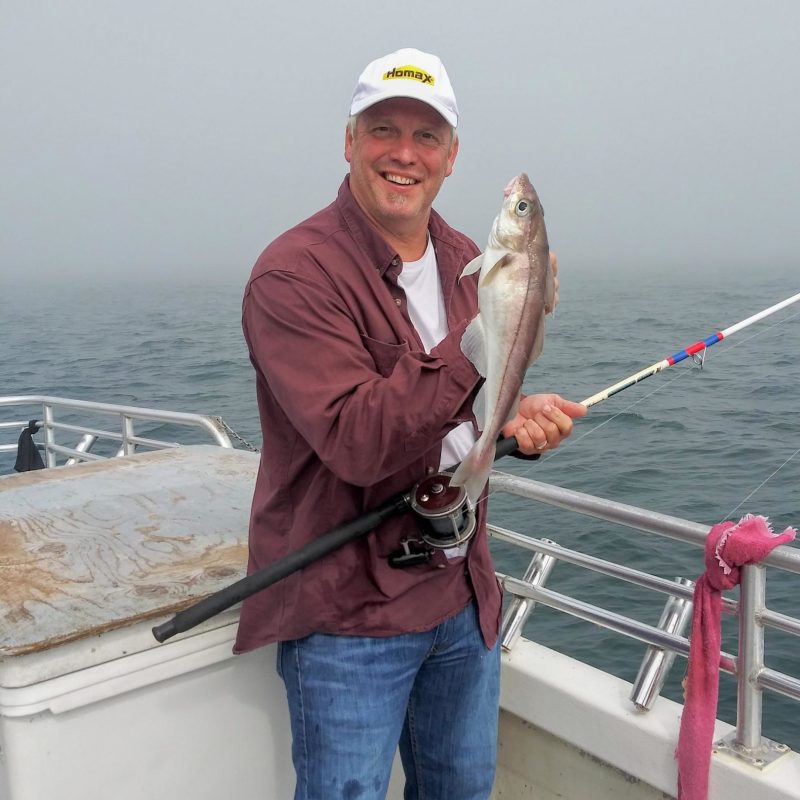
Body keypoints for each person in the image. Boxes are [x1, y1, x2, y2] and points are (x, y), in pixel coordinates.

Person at [235, 47, 587, 800]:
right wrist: (482, 349)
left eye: (427, 136)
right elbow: (359, 440)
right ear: (349, 141)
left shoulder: (470, 258)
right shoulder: (292, 275)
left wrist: (510, 419)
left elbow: (459, 414)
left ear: (453, 156)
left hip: (463, 601)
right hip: (346, 618)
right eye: (383, 129)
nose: (404, 152)